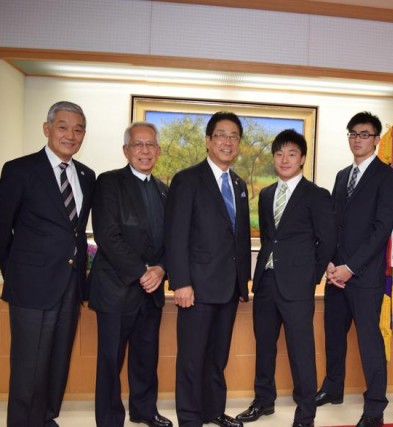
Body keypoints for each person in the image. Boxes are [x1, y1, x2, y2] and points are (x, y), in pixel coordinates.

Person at [0, 101, 96, 427]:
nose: (71, 135)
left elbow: (76, 232)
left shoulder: (86, 175)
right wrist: (15, 273)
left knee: (56, 362)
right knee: (28, 367)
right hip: (31, 287)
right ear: (47, 129)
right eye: (63, 127)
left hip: (70, 285)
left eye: (78, 129)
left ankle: (46, 418)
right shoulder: (20, 170)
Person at [236, 130, 336, 427]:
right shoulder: (267, 194)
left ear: (302, 158)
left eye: (291, 154)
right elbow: (271, 238)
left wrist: (311, 277)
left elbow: (327, 241)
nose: (284, 159)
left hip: (297, 286)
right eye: (279, 154)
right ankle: (263, 401)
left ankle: (305, 414)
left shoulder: (317, 195)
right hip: (266, 282)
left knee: (301, 351)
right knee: (264, 347)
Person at [165, 111, 251, 427]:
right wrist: (181, 282)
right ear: (208, 140)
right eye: (221, 135)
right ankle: (190, 418)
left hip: (228, 288)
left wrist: (243, 283)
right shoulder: (187, 180)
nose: (228, 141)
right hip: (196, 288)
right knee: (192, 358)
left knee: (217, 356)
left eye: (233, 136)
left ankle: (213, 410)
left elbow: (240, 238)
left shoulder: (239, 184)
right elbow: (176, 235)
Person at [316, 112, 393, 427]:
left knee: (369, 342)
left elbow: (381, 229)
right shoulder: (342, 176)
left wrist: (350, 267)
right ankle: (333, 388)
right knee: (333, 336)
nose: (357, 139)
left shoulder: (388, 177)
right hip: (335, 275)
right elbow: (332, 224)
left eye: (364, 134)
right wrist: (329, 262)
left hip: (364, 276)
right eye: (353, 133)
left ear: (376, 139)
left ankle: (375, 407)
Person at [88, 122, 172, 427]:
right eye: (138, 144)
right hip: (116, 288)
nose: (145, 151)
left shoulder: (164, 190)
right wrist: (141, 272)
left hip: (151, 291)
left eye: (150, 145)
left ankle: (144, 411)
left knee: (146, 357)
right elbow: (107, 236)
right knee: (111, 360)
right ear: (126, 150)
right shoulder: (109, 182)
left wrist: (161, 269)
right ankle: (110, 419)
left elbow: (173, 239)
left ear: (158, 151)